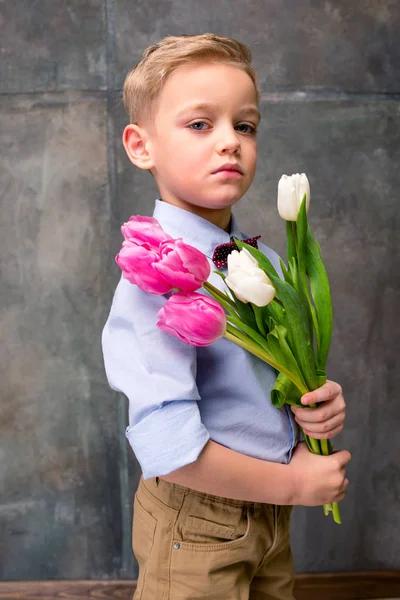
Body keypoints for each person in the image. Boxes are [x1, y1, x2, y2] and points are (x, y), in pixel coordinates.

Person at [102, 33, 350, 600]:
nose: (229, 144)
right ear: (142, 147)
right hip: (196, 524)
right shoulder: (152, 279)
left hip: (269, 513)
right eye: (199, 125)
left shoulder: (262, 263)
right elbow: (171, 449)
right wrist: (292, 482)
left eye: (245, 125)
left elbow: (269, 378)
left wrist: (311, 402)